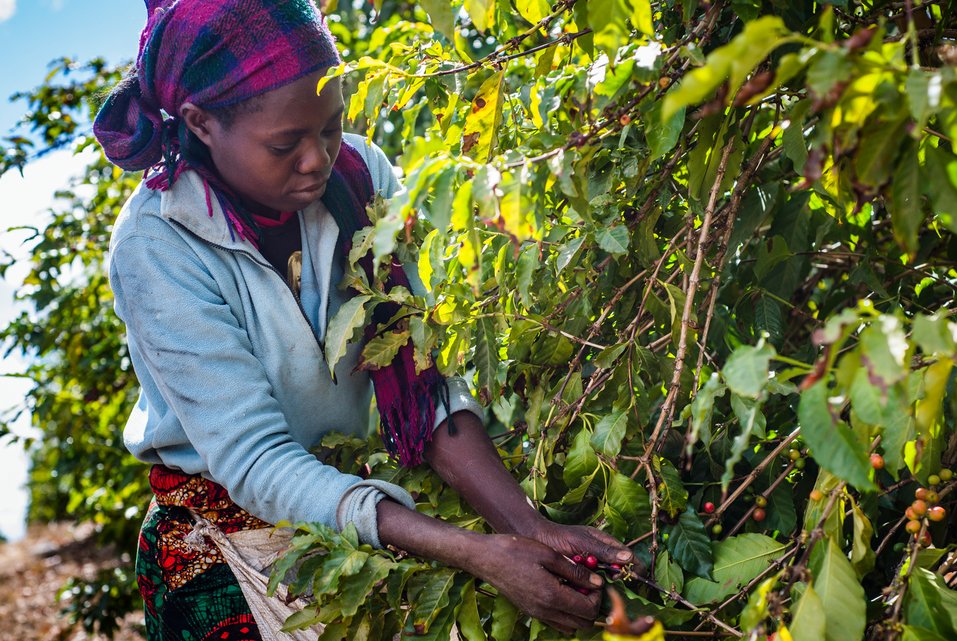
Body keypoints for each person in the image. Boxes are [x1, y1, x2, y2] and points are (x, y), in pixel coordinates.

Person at [94, 1, 636, 639]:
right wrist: (474, 552)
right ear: (200, 123)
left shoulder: (361, 175)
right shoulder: (158, 245)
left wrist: (526, 526)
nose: (317, 159)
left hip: (353, 498)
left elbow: (421, 381)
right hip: (224, 535)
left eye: (330, 126)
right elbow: (256, 460)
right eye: (284, 143)